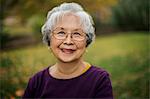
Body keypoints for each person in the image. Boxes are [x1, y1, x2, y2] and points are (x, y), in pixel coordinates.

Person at [23, 2, 113, 98]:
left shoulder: (99, 79)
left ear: (87, 42)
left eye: (77, 34)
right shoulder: (37, 82)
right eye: (61, 32)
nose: (68, 41)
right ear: (49, 39)